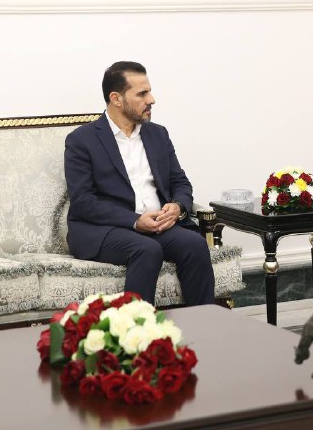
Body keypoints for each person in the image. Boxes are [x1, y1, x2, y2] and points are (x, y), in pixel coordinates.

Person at [64, 61, 215, 306]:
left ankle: (203, 321)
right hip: (107, 230)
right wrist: (135, 221)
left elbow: (180, 182)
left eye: (150, 92)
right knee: (146, 249)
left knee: (194, 244)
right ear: (116, 98)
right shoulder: (82, 140)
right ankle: (137, 328)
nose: (151, 100)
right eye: (142, 94)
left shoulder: (158, 134)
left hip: (157, 225)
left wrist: (177, 206)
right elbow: (83, 202)